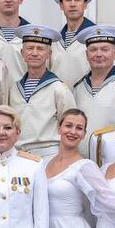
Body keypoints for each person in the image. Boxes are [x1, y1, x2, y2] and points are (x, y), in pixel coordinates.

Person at [9, 24, 75, 155]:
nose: (34, 53)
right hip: (18, 155)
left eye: (40, 49)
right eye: (30, 48)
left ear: (49, 54)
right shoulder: (14, 89)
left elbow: (71, 124)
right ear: (22, 53)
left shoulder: (58, 89)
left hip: (49, 154)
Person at [72, 24, 115, 134]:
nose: (98, 54)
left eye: (104, 49)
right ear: (86, 55)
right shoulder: (79, 88)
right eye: (93, 50)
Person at [50, 0, 97, 88]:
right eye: (68, 0)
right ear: (61, 5)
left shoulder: (96, 36)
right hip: (58, 97)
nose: (72, 4)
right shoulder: (55, 40)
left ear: (85, 5)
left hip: (85, 96)